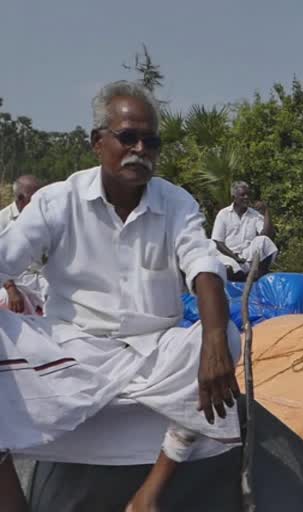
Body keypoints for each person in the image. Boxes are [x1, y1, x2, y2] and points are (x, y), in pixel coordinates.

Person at [0, 81, 242, 512]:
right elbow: (5, 258)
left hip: (153, 356)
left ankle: (149, 493)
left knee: (227, 336)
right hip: (71, 355)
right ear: (97, 143)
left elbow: (204, 267)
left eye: (151, 141)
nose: (140, 149)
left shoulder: (176, 203)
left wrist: (213, 337)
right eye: (127, 137)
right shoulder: (59, 201)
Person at [211, 181, 277, 282]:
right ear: (234, 197)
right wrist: (234, 257)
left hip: (246, 258)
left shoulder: (254, 214)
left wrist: (266, 211)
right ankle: (243, 279)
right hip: (228, 256)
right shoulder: (223, 214)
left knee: (264, 240)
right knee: (228, 269)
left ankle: (260, 277)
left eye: (248, 194)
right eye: (242, 195)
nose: (246, 197)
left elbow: (267, 235)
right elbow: (218, 242)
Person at [0, 175, 48, 314]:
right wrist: (11, 289)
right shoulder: (3, 220)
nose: (39, 202)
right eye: (33, 198)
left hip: (43, 280)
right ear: (20, 199)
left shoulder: (44, 216)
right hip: (18, 283)